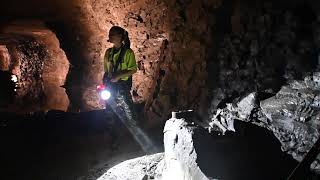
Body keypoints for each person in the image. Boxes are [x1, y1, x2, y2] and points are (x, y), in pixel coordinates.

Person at [103, 26, 138, 125]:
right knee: (109, 107)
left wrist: (118, 76)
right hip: (110, 85)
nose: (110, 36)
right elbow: (106, 70)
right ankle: (112, 130)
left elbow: (133, 69)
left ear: (120, 36)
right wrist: (105, 82)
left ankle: (134, 128)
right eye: (110, 34)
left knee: (128, 107)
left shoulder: (128, 53)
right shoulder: (108, 52)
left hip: (122, 85)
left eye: (112, 34)